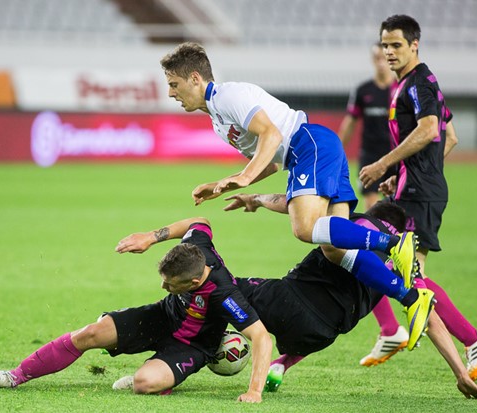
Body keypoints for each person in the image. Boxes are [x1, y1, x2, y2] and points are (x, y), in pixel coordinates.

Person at [160, 42, 433, 350]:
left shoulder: (228, 96)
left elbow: (273, 136)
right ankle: (410, 297)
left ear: (195, 78)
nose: (171, 93)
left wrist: (244, 176)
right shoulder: (217, 121)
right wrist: (231, 184)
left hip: (309, 144)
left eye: (174, 84)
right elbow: (274, 159)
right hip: (308, 153)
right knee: (334, 249)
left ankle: (396, 244)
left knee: (304, 228)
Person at [114, 200, 477, 400]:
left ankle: (172, 357)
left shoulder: (359, 225)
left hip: (290, 302)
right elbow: (430, 316)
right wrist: (460, 373)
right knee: (337, 304)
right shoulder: (407, 268)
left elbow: (299, 207)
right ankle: (280, 362)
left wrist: (259, 199)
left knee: (215, 286)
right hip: (321, 336)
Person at [0, 217, 273, 403]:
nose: (164, 287)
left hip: (192, 345)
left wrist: (254, 392)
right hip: (162, 317)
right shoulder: (196, 245)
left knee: (144, 383)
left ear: (196, 281)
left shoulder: (224, 295)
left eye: (171, 285)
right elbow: (200, 220)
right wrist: (151, 236)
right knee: (91, 332)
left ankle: (160, 377)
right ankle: (14, 376)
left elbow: (261, 337)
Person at [358, 15, 477, 379]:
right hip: (414, 189)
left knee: (406, 274)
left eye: (396, 45)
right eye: (384, 45)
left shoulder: (419, 82)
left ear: (414, 45)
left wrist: (385, 165)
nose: (388, 51)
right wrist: (403, 174)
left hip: (420, 196)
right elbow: (449, 138)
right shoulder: (412, 84)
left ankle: (471, 338)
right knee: (374, 255)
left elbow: (431, 129)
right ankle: (392, 331)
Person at [337, 43, 397, 211]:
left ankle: (396, 237)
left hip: (396, 154)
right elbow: (350, 123)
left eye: (384, 58)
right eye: (377, 58)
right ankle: (374, 236)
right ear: (372, 60)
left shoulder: (401, 90)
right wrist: (336, 151)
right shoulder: (363, 91)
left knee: (396, 204)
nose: (381, 63)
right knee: (371, 205)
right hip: (370, 155)